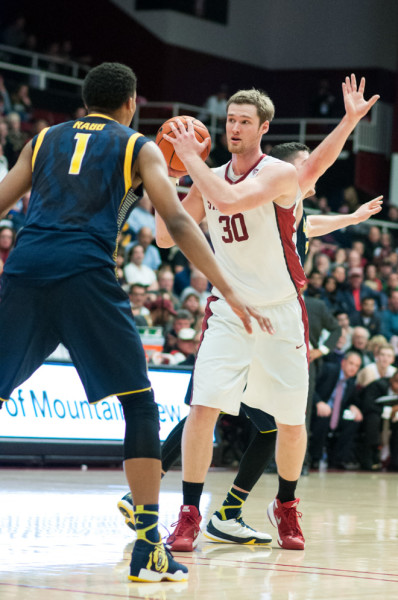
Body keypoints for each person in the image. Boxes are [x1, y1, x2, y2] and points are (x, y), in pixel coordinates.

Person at [0, 62, 272, 584]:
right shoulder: (137, 146)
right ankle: (149, 546)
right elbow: (175, 221)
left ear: (85, 101)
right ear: (131, 104)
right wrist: (230, 289)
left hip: (28, 270)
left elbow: (5, 199)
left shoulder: (43, 139)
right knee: (140, 406)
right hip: (86, 276)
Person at [156, 75, 379, 552]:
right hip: (228, 311)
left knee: (291, 421)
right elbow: (165, 236)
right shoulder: (208, 174)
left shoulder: (278, 173)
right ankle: (191, 512)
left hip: (281, 311)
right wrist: (171, 179)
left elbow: (233, 199)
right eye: (230, 120)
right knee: (202, 409)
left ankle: (285, 505)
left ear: (263, 129)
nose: (234, 128)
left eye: (243, 122)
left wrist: (190, 159)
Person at [309, 351, 363, 469]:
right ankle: (315, 458)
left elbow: (350, 400)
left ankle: (337, 459)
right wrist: (318, 402)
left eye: (357, 366)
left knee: (353, 421)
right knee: (323, 418)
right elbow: (310, 385)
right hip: (316, 409)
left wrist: (353, 406)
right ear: (343, 363)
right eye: (351, 363)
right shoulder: (329, 369)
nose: (353, 368)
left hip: (335, 414)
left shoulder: (350, 381)